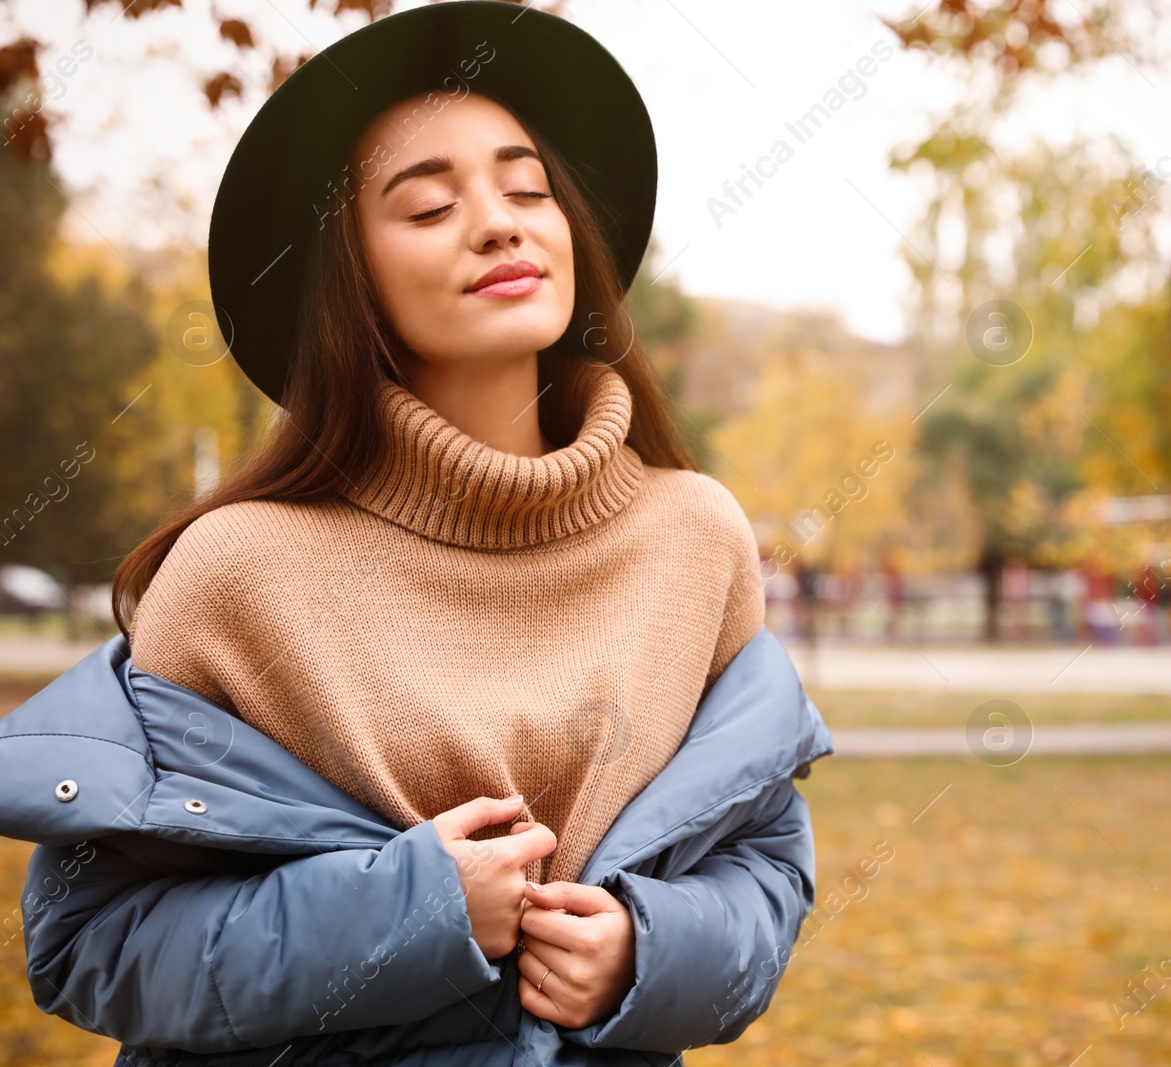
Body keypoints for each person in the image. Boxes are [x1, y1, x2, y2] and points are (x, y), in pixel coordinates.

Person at [0, 5, 830, 1065]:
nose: (499, 222)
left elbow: (763, 865)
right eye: (430, 205)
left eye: (528, 188)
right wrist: (406, 910)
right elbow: (91, 940)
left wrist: (646, 954)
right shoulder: (235, 569)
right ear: (348, 279)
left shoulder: (696, 535)